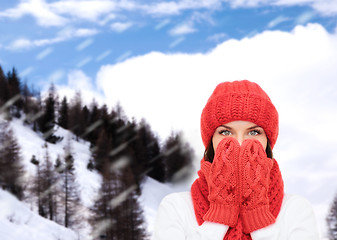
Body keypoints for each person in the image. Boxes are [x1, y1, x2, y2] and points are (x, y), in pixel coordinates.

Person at [152, 80, 319, 240]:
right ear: (211, 141)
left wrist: (258, 215)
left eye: (253, 132)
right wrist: (220, 214)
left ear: (268, 141)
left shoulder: (296, 210)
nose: (239, 143)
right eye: (225, 132)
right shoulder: (177, 208)